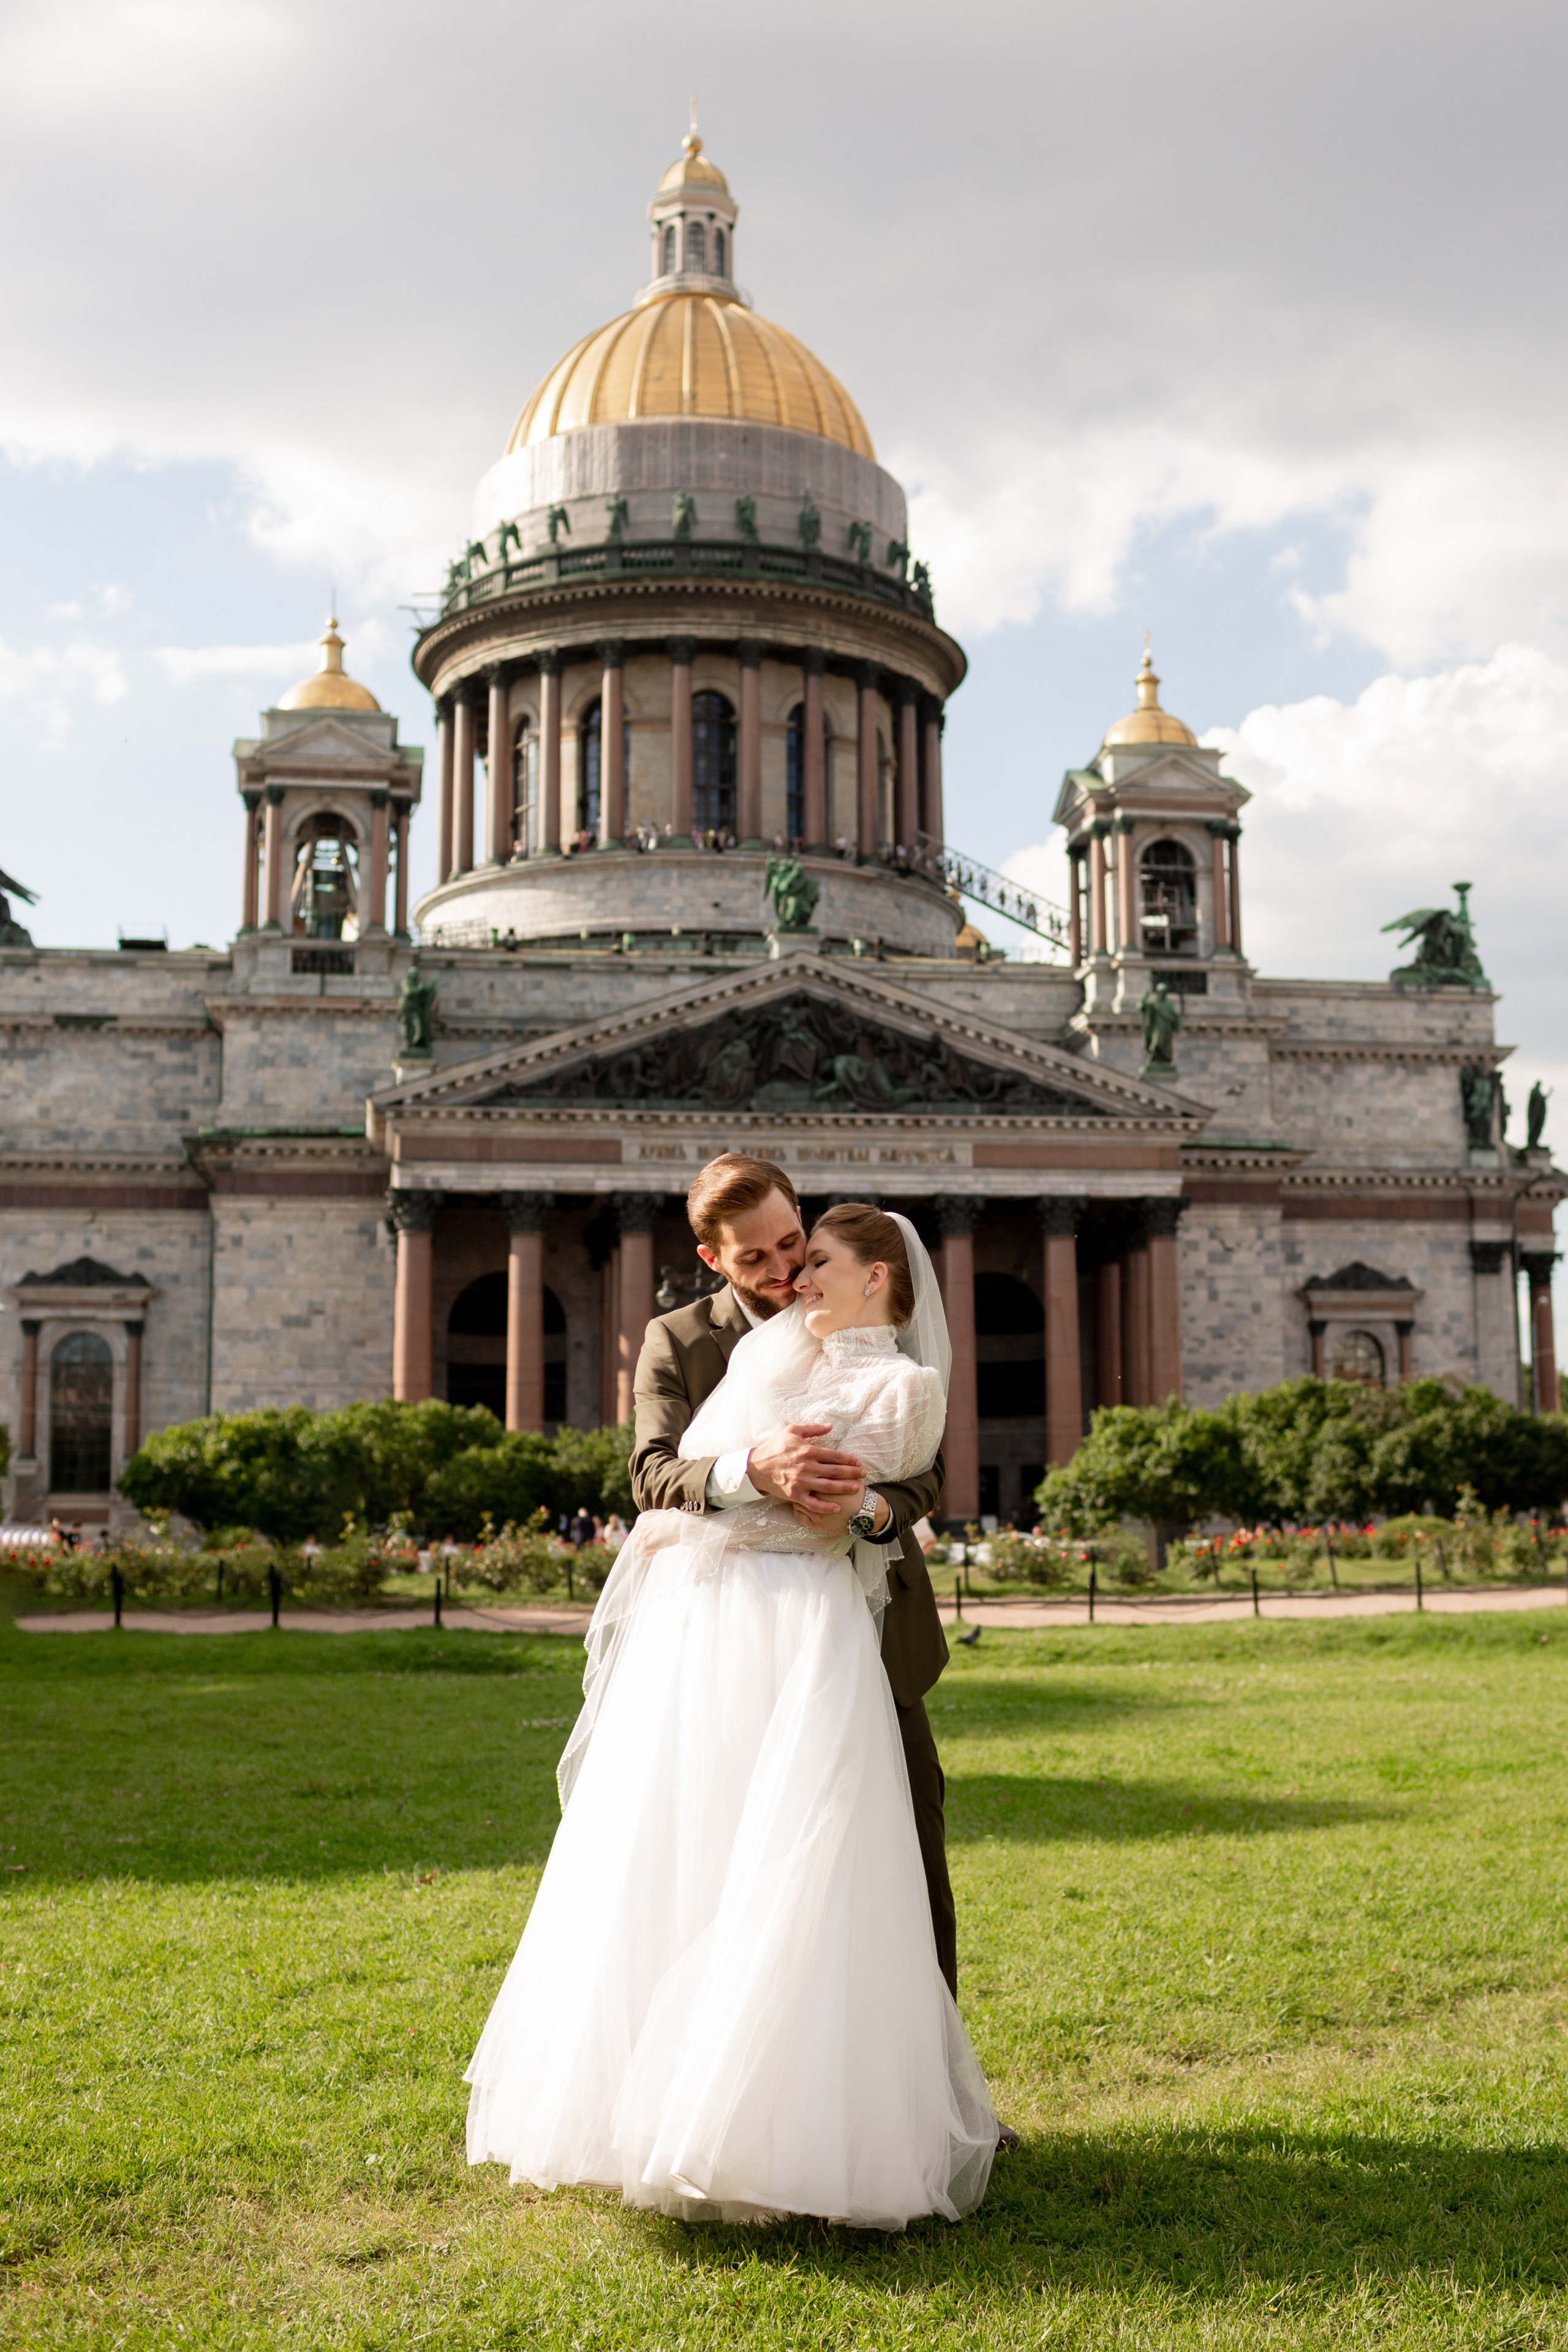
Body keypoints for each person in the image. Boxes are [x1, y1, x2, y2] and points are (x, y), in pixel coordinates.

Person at [464, 1173, 996, 2228]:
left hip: (855, 1633)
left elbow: (920, 1480)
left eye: (794, 1243)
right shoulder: (682, 1338)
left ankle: (912, 2102)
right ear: (714, 1260)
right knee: (698, 1852)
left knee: (892, 1859)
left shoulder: (868, 1326)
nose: (785, 1269)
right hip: (718, 1635)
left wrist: (876, 1508)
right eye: (756, 1258)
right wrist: (750, 1468)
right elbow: (653, 1473)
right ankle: (677, 2105)